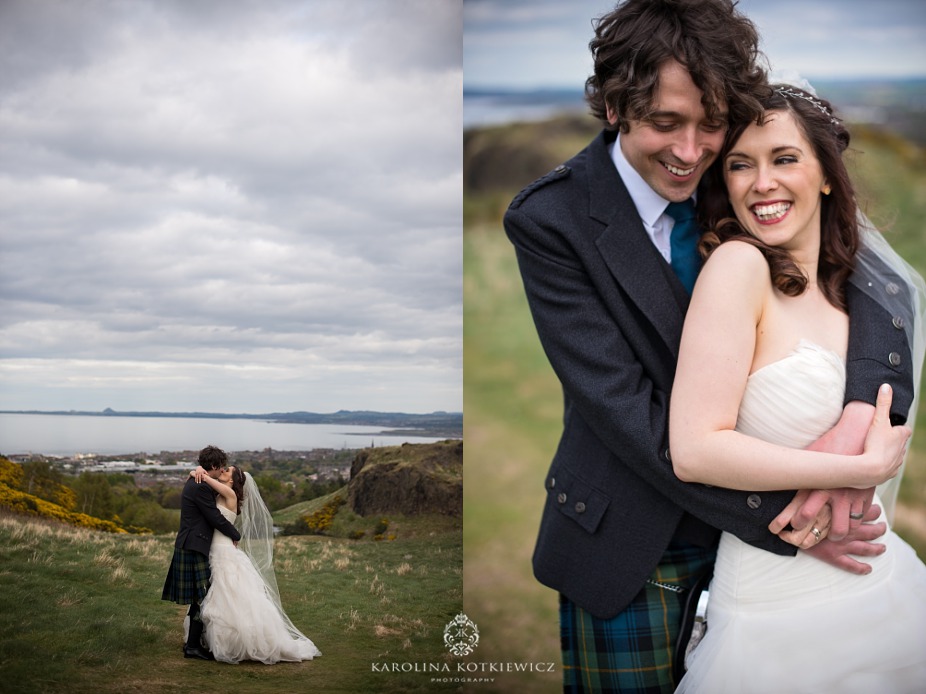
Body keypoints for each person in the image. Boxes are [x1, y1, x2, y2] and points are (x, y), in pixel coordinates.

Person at [502, 1, 915, 690]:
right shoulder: (552, 219)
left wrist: (855, 414)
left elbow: (867, 283)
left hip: (767, 542)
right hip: (635, 539)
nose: (691, 152)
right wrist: (794, 514)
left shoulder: (742, 178)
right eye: (665, 123)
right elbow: (623, 407)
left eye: (711, 124)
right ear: (615, 106)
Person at [669, 83, 926, 692]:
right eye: (740, 164)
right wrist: (847, 468)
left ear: (828, 175)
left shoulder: (857, 290)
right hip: (777, 601)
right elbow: (695, 449)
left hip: (878, 580)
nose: (762, 183)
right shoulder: (739, 267)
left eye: (784, 158)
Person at [188, 461, 321, 664]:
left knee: (230, 595)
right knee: (216, 596)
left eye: (227, 471)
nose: (222, 471)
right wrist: (197, 470)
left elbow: (205, 479)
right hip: (214, 550)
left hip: (224, 552)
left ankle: (240, 643)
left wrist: (200, 471)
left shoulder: (229, 495)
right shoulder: (220, 493)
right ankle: (206, 641)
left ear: (232, 480)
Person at [161, 444, 242, 660]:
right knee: (202, 597)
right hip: (194, 545)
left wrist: (197, 471)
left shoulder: (198, 480)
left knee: (201, 597)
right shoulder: (201, 485)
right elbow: (214, 517)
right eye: (221, 467)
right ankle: (193, 647)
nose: (222, 471)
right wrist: (236, 534)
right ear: (214, 466)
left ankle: (193, 644)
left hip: (194, 543)